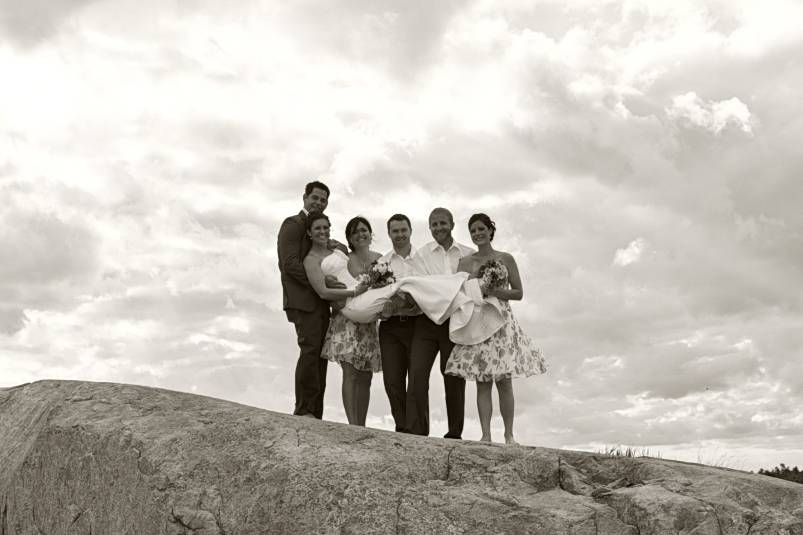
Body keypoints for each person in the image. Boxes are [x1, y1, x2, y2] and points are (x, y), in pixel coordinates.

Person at [445, 213, 547, 444]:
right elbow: (459, 293)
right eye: (473, 231)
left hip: (501, 322)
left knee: (503, 381)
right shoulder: (464, 262)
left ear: (490, 231)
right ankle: (486, 435)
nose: (478, 234)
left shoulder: (506, 258)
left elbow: (518, 293)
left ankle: (509, 435)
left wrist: (495, 292)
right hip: (477, 322)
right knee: (482, 381)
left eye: (481, 229)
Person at [406, 208, 475, 439]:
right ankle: (417, 431)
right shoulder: (422, 255)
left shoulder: (468, 254)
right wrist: (451, 285)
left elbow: (471, 288)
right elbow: (423, 288)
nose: (438, 228)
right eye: (434, 224)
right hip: (426, 321)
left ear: (452, 224)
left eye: (442, 223)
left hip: (456, 322)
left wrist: (443, 286)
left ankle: (455, 432)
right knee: (417, 374)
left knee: (454, 376)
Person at [310, 216, 382, 426]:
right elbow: (330, 285)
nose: (361, 234)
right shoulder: (342, 259)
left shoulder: (380, 259)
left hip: (369, 324)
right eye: (355, 232)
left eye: (364, 230)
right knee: (350, 373)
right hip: (345, 321)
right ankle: (352, 424)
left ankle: (362, 423)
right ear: (350, 238)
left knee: (366, 376)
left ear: (370, 233)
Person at [277, 181, 338, 419]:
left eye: (323, 200)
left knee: (319, 356)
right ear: (304, 197)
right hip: (302, 300)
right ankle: (304, 410)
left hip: (320, 301)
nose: (319, 203)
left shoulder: (317, 228)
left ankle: (315, 412)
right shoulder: (293, 224)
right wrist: (320, 282)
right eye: (315, 198)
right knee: (310, 351)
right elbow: (289, 264)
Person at [377, 214, 422, 432]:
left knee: (416, 381)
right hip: (390, 327)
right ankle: (402, 427)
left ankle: (418, 431)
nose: (400, 235)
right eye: (395, 231)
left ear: (410, 230)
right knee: (393, 381)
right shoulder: (382, 263)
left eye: (403, 230)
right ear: (389, 234)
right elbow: (376, 296)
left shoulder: (422, 259)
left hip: (417, 325)